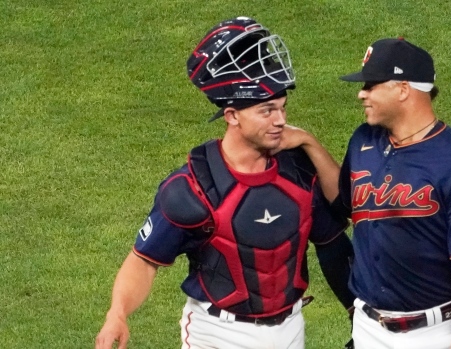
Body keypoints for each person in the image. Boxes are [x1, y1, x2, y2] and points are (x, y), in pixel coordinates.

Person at [95, 16, 354, 349]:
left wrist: (355, 309)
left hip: (290, 329)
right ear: (232, 116)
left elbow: (333, 243)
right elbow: (144, 261)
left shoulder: (300, 171)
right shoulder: (191, 187)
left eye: (282, 108)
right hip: (218, 334)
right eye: (267, 111)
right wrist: (117, 313)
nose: (281, 121)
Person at [281, 38, 451, 349]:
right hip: (371, 329)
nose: (361, 93)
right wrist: (309, 143)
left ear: (402, 89)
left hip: (440, 330)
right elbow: (344, 202)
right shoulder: (364, 140)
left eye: (371, 85)